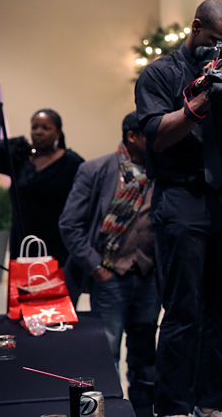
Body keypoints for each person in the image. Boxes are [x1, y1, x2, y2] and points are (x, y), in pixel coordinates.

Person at [135, 0, 222, 417]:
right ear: (196, 27)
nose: (219, 49)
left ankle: (213, 403)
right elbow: (158, 137)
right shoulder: (159, 74)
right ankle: (173, 407)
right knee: (183, 310)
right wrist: (201, 100)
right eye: (214, 39)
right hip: (181, 198)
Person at [59, 111, 159, 417]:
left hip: (148, 276)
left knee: (145, 351)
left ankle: (143, 410)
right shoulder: (96, 170)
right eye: (150, 134)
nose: (157, 140)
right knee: (108, 351)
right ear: (132, 136)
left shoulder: (161, 170)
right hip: (110, 275)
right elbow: (69, 224)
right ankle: (111, 410)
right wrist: (96, 267)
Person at [0, 108, 83, 266]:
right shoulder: (20, 160)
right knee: (23, 280)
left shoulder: (71, 163)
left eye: (45, 128)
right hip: (23, 240)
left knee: (51, 280)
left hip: (56, 241)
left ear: (58, 133)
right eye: (34, 127)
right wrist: (20, 144)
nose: (38, 132)